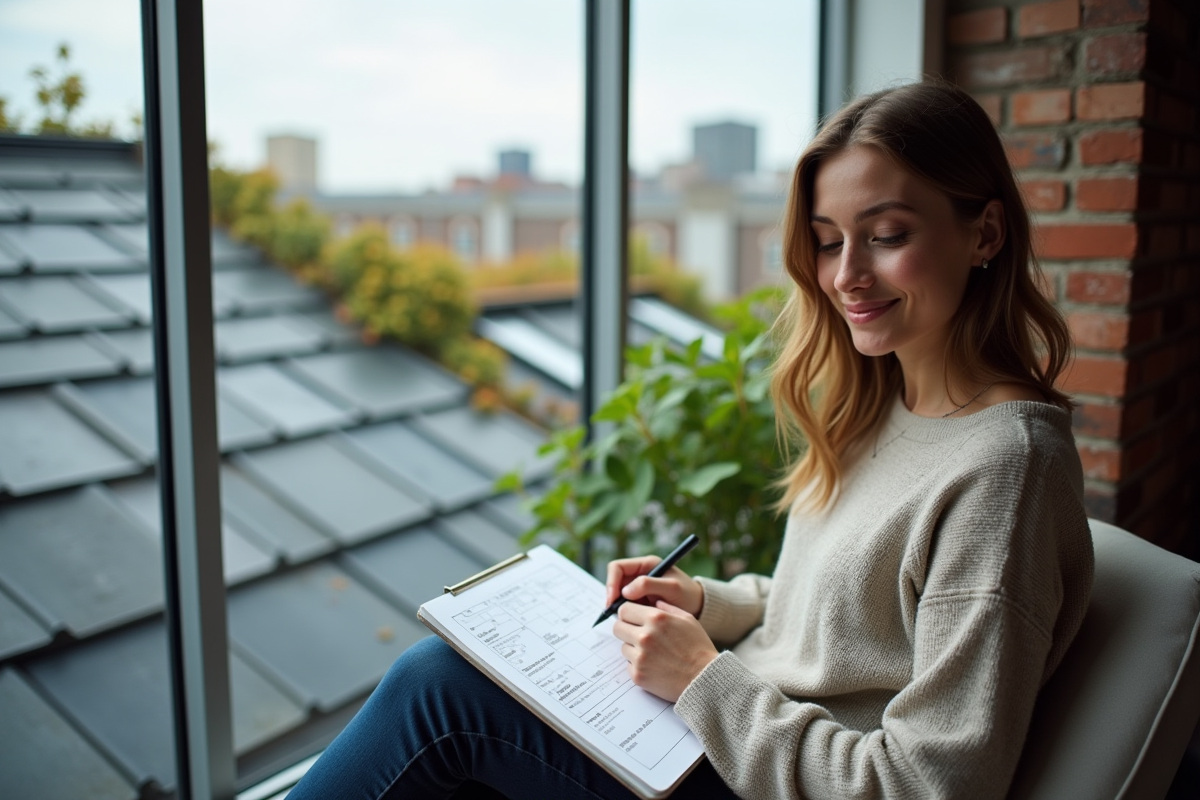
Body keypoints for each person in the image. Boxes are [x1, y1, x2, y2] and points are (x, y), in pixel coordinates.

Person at [286, 80, 1093, 800]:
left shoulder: (1004, 472)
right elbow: (843, 621)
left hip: (757, 770)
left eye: (885, 234)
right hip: (740, 741)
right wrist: (709, 602)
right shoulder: (888, 403)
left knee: (440, 690)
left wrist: (704, 680)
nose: (845, 274)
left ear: (984, 234)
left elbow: (928, 784)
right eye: (826, 239)